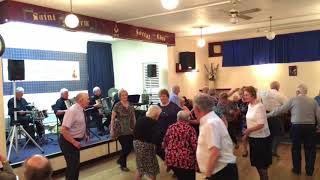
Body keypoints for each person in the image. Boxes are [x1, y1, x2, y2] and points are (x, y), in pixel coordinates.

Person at [267, 84, 320, 176]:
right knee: (310, 149)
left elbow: (280, 110)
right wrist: (319, 126)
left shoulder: (293, 100)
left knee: (296, 149)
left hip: (296, 127)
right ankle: (309, 171)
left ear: (298, 92)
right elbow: (319, 115)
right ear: (306, 92)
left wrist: (267, 115)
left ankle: (297, 169)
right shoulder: (313, 101)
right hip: (310, 127)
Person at [194, 93, 238, 180]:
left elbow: (215, 153)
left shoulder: (210, 123)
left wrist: (207, 176)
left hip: (221, 172)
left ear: (197, 108)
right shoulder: (211, 120)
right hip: (220, 170)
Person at [242, 86, 272, 180]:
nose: (244, 96)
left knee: (261, 166)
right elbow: (251, 121)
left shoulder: (259, 106)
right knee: (258, 164)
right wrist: (248, 132)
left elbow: (261, 124)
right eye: (244, 95)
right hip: (253, 137)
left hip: (261, 139)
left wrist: (248, 130)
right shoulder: (250, 105)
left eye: (246, 95)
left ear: (253, 95)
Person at [59, 92, 90, 180]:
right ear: (81, 100)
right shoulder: (72, 110)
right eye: (87, 99)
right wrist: (74, 142)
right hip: (67, 141)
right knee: (72, 166)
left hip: (74, 141)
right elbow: (63, 129)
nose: (89, 101)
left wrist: (85, 134)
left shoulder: (81, 109)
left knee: (75, 166)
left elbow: (79, 124)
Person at [163, 111, 198, 180]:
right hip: (186, 160)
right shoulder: (190, 129)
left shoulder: (171, 127)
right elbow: (195, 146)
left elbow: (165, 142)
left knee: (180, 176)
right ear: (188, 119)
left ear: (177, 118)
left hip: (172, 159)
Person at [133, 105, 162, 180]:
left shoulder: (140, 119)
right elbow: (155, 139)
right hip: (146, 147)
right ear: (155, 114)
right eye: (158, 115)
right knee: (152, 168)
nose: (159, 117)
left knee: (140, 167)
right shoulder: (152, 123)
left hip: (136, 145)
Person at [110, 89, 136, 171]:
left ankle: (120, 160)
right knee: (125, 147)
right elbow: (112, 118)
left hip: (130, 128)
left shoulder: (131, 105)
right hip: (120, 129)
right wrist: (111, 129)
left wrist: (135, 127)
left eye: (126, 95)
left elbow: (133, 117)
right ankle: (123, 165)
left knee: (130, 147)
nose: (125, 96)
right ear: (120, 96)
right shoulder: (117, 105)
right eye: (123, 95)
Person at [260, 81, 288, 157]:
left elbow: (259, 100)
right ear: (278, 87)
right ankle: (273, 150)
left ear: (270, 86)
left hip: (265, 116)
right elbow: (286, 106)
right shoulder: (281, 95)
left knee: (268, 134)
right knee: (279, 134)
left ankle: (267, 150)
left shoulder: (263, 93)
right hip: (276, 116)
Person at [156, 89, 181, 160]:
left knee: (171, 148)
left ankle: (172, 162)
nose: (162, 98)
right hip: (160, 131)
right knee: (158, 149)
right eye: (160, 96)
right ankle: (166, 160)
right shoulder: (157, 106)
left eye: (163, 96)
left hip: (171, 131)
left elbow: (180, 115)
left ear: (167, 96)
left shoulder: (173, 106)